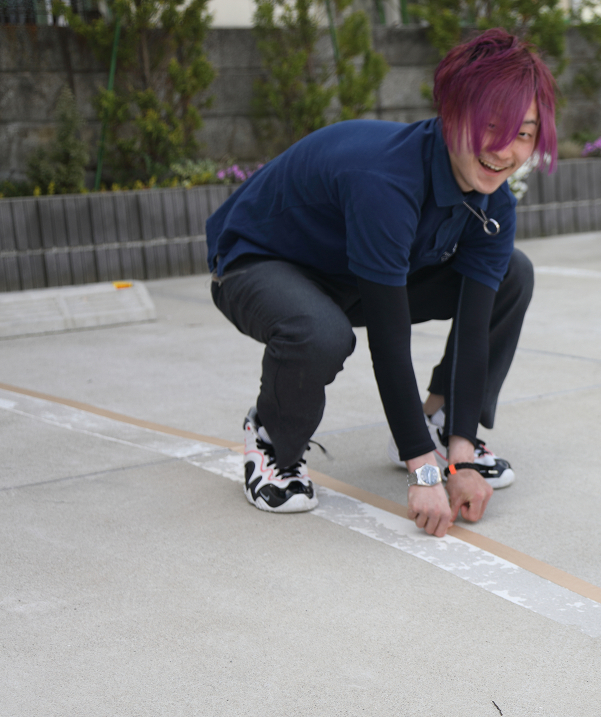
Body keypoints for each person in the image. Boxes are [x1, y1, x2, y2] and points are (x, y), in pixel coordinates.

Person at [205, 29, 556, 537]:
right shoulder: (387, 180)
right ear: (452, 114)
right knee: (320, 332)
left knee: (512, 273)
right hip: (257, 264)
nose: (504, 150)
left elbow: (474, 327)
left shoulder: (494, 201)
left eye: (523, 133)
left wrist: (460, 457)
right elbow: (391, 342)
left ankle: (438, 422)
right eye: (490, 127)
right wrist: (424, 472)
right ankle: (271, 439)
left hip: (352, 278)